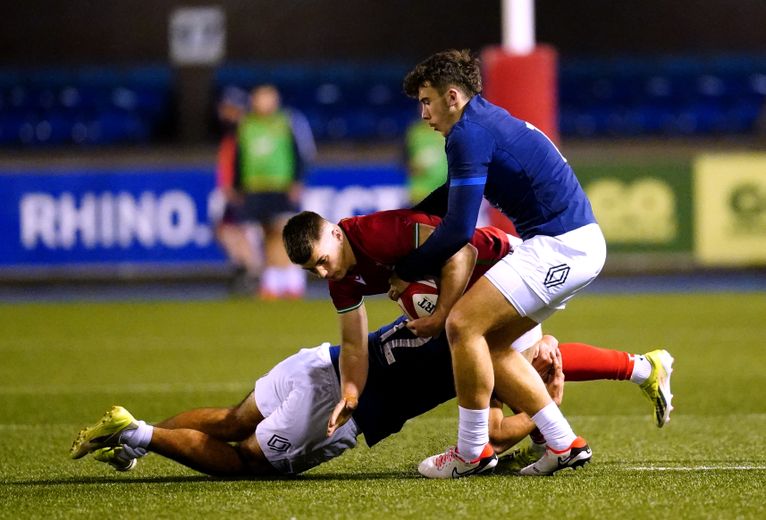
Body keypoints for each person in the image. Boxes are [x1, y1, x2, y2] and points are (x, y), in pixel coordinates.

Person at [69, 314, 674, 477]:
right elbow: (491, 428)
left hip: (319, 361)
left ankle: (136, 434)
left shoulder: (460, 312)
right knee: (251, 461)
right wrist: (544, 417)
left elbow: (543, 352)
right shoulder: (488, 346)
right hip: (340, 404)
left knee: (232, 418)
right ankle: (135, 434)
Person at [387, 49, 608, 477]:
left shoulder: (468, 133)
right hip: (568, 243)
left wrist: (405, 269)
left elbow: (456, 231)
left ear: (452, 96)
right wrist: (403, 224)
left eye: (427, 101)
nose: (423, 113)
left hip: (561, 246)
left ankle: (471, 453)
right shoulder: (482, 122)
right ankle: (563, 445)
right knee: (489, 344)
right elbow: (449, 199)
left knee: (461, 325)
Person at [282, 208, 507, 444]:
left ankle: (544, 418)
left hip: (501, 263)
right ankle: (542, 430)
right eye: (311, 270)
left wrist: (441, 317)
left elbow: (464, 252)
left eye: (322, 261)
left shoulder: (375, 233)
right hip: (471, 301)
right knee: (494, 432)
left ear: (337, 235)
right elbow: (353, 345)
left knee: (501, 415)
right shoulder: (340, 283)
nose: (322, 273)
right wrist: (350, 394)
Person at [234, 84, 316, 299]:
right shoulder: (246, 125)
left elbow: (302, 153)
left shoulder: (287, 121)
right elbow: (240, 157)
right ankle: (271, 284)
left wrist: (297, 181)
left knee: (283, 233)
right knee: (264, 235)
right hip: (255, 187)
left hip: (281, 186)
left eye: (268, 97)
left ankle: (292, 284)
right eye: (260, 97)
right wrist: (238, 185)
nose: (263, 102)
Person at [211, 86, 263, 294]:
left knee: (240, 232)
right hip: (233, 192)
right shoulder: (234, 133)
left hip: (241, 192)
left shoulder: (246, 132)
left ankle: (253, 275)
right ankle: (247, 272)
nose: (222, 112)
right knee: (230, 231)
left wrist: (239, 189)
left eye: (227, 107)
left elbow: (247, 164)